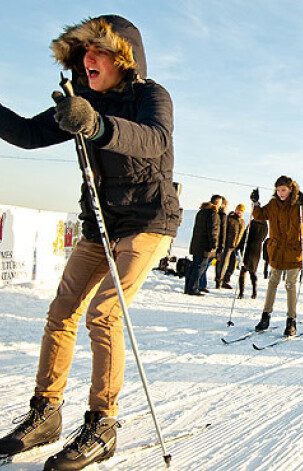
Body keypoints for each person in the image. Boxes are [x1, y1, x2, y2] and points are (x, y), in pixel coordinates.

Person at [0, 15, 179, 469]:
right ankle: (46, 411)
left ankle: (103, 423)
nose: (89, 59)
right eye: (83, 53)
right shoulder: (80, 101)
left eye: (99, 51)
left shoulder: (150, 96)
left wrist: (97, 126)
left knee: (103, 315)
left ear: (124, 58)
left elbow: (153, 141)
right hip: (101, 225)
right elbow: (25, 134)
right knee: (62, 311)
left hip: (147, 222)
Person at [251, 176, 303, 336]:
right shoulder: (273, 204)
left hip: (293, 251)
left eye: (284, 190)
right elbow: (260, 215)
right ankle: (265, 316)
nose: (281, 193)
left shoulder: (297, 205)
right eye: (279, 190)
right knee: (273, 282)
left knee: (290, 284)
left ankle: (291, 320)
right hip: (277, 250)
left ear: (291, 190)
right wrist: (256, 203)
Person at [185, 197, 221, 295]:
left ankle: (188, 287)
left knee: (194, 266)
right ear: (217, 202)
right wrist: (214, 245)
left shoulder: (201, 212)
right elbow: (213, 230)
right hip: (205, 246)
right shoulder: (213, 214)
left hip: (197, 244)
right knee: (200, 267)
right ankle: (193, 288)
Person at [237, 219, 268, 299]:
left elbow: (245, 235)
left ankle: (241, 292)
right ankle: (254, 292)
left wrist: (240, 246)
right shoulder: (265, 224)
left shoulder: (252, 222)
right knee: (253, 271)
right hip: (257, 249)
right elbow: (264, 237)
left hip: (248, 247)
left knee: (243, 270)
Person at [217, 204, 246, 289]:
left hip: (235, 246)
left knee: (232, 265)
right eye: (238, 210)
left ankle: (226, 280)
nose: (239, 212)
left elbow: (242, 235)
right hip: (227, 244)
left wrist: (240, 246)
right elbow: (224, 231)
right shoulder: (230, 219)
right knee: (223, 263)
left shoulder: (242, 222)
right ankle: (219, 281)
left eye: (241, 210)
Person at [212, 196, 229, 289]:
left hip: (225, 244)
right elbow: (222, 231)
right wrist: (221, 245)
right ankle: (218, 281)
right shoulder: (222, 215)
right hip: (218, 243)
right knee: (219, 263)